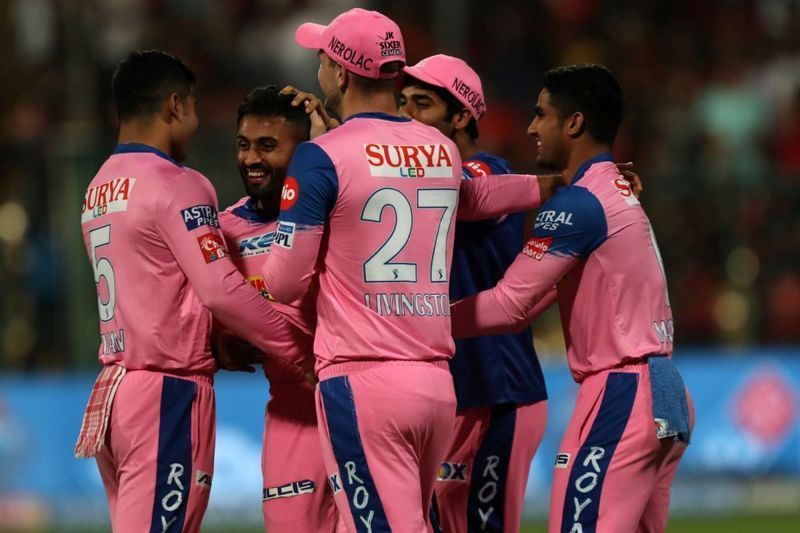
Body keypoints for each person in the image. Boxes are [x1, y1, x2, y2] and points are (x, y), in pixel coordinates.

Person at [261, 8, 559, 532]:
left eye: (321, 60)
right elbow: (477, 197)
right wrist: (553, 184)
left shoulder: (319, 157)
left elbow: (285, 282)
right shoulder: (441, 150)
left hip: (361, 380)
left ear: (343, 73)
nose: (318, 71)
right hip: (436, 386)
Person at [451, 64, 693, 533]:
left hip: (622, 391)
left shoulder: (576, 206)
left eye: (542, 115)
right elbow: (545, 295)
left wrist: (423, 319)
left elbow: (509, 305)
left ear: (574, 123)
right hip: (663, 389)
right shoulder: (615, 192)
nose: (531, 128)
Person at [74, 50, 309, 533]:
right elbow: (221, 290)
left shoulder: (99, 187)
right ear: (175, 105)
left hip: (116, 390)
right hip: (167, 393)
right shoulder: (180, 183)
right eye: (196, 108)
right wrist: (297, 350)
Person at [399, 55, 548, 533]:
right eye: (401, 104)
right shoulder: (402, 182)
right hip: (451, 390)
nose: (406, 117)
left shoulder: (489, 169)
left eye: (421, 104)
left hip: (499, 391)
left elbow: (454, 193)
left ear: (462, 116)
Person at [216, 85, 341, 532]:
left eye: (268, 146)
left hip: (356, 392)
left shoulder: (339, 211)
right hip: (290, 408)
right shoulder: (224, 228)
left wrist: (334, 140)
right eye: (244, 144)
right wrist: (217, 341)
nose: (251, 159)